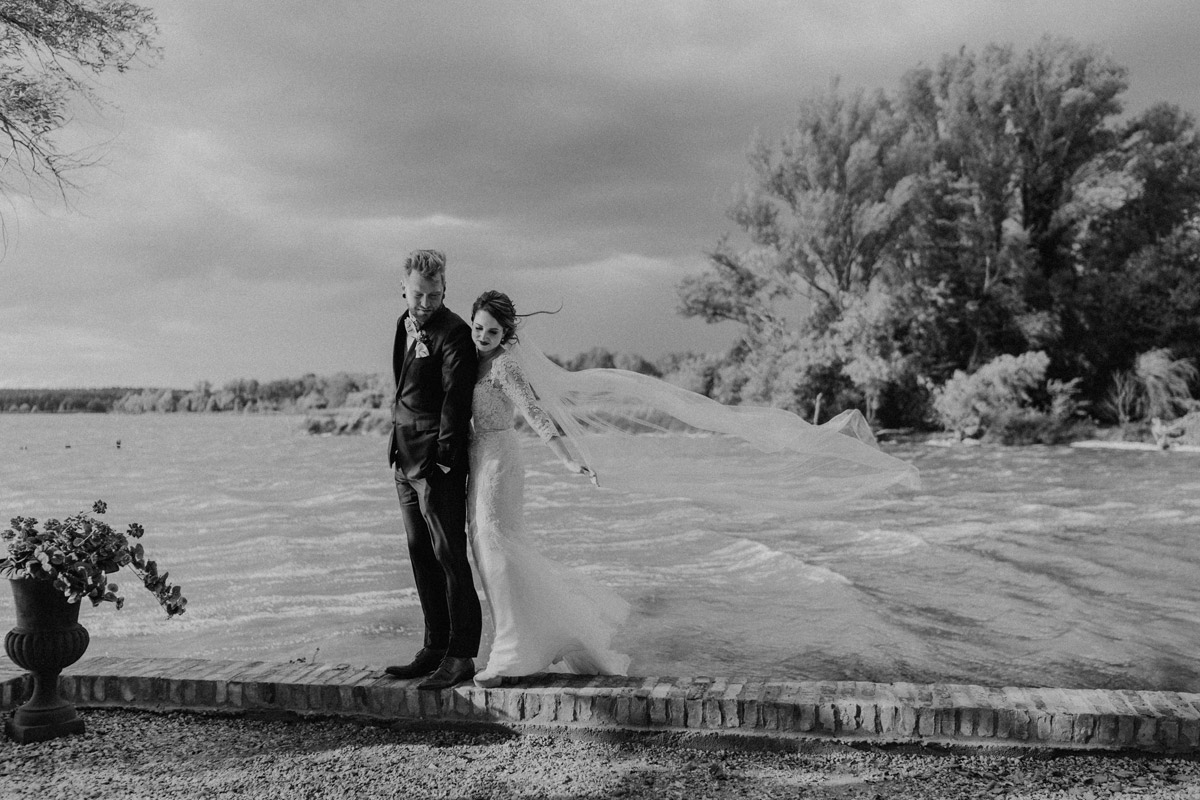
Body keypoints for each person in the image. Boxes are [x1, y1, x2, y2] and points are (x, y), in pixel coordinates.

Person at [467, 291, 630, 688]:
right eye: (478, 328)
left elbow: (533, 411)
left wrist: (566, 459)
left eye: (492, 331)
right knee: (485, 550)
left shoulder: (504, 366)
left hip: (501, 458)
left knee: (496, 549)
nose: (483, 336)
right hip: (477, 457)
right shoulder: (471, 360)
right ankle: (539, 637)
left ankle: (508, 656)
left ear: (505, 334)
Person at [384, 250, 482, 690]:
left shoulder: (456, 332)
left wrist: (442, 459)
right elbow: (403, 392)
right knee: (420, 554)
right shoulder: (402, 325)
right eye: (419, 294)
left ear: (445, 289)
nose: (425, 304)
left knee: (449, 557)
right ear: (403, 287)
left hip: (436, 464)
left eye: (435, 295)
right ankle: (434, 647)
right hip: (403, 459)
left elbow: (455, 402)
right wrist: (396, 450)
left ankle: (461, 655)